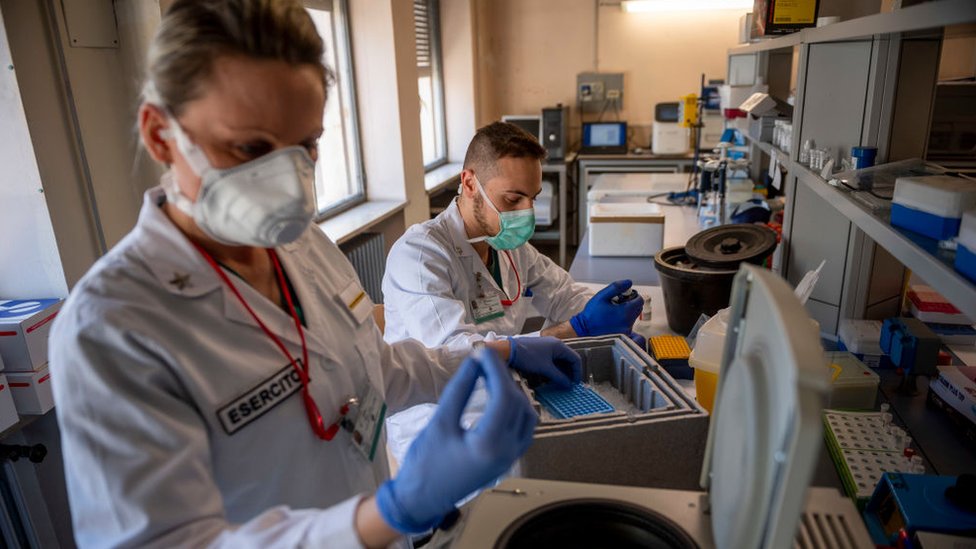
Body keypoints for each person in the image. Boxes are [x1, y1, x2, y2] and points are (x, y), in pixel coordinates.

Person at [48, 1, 580, 547]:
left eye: (305, 146)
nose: (286, 177)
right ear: (161, 135)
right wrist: (393, 510)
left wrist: (504, 354)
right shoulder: (112, 326)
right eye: (252, 146)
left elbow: (378, 367)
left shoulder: (302, 244)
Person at [381, 122, 644, 458]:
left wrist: (606, 312)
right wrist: (574, 331)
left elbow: (563, 292)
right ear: (470, 182)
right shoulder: (421, 254)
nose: (526, 212)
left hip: (507, 393)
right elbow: (456, 357)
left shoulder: (506, 242)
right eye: (513, 198)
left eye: (532, 198)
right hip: (441, 425)